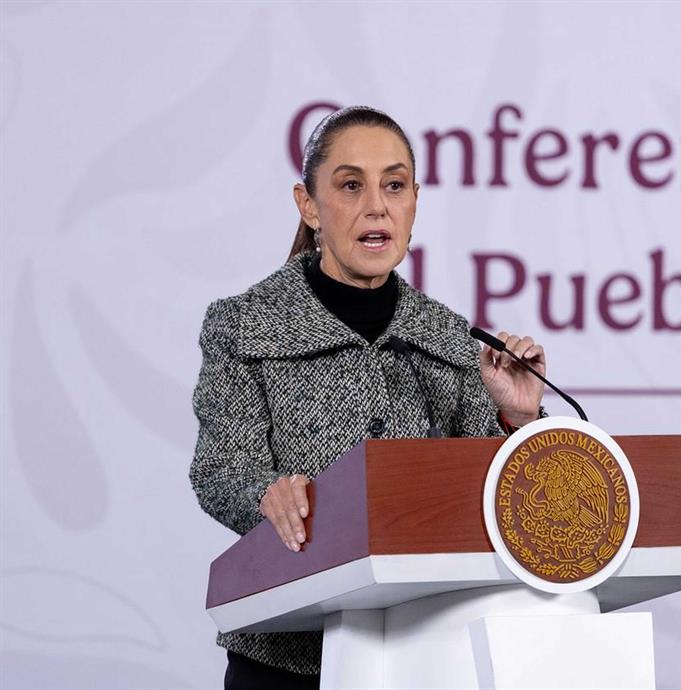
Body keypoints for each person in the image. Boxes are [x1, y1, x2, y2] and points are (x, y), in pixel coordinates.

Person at [189, 106, 547, 689]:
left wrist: (517, 417)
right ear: (309, 205)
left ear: (414, 203)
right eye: (351, 185)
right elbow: (219, 469)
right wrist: (266, 494)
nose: (377, 206)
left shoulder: (449, 337)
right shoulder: (245, 324)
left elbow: (496, 498)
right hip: (288, 660)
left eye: (395, 186)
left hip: (424, 655)